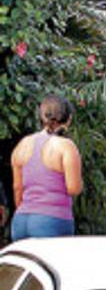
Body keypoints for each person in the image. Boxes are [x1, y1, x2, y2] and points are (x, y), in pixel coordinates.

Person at [10, 94, 82, 240]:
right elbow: (73, 188)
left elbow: (17, 187)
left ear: (42, 117)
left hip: (21, 220)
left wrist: (27, 210)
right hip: (52, 220)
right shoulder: (66, 146)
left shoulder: (23, 144)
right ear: (69, 119)